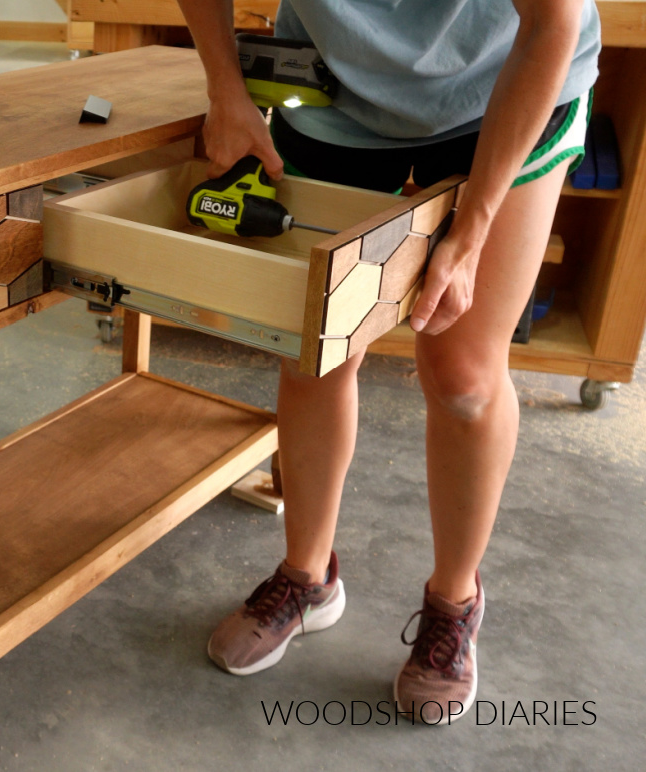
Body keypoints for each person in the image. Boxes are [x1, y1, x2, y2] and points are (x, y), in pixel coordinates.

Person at [176, 0, 600, 722]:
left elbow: (552, 20)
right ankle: (308, 579)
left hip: (503, 83)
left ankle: (455, 601)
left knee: (462, 375)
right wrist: (226, 87)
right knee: (316, 350)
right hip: (335, 93)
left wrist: (474, 229)